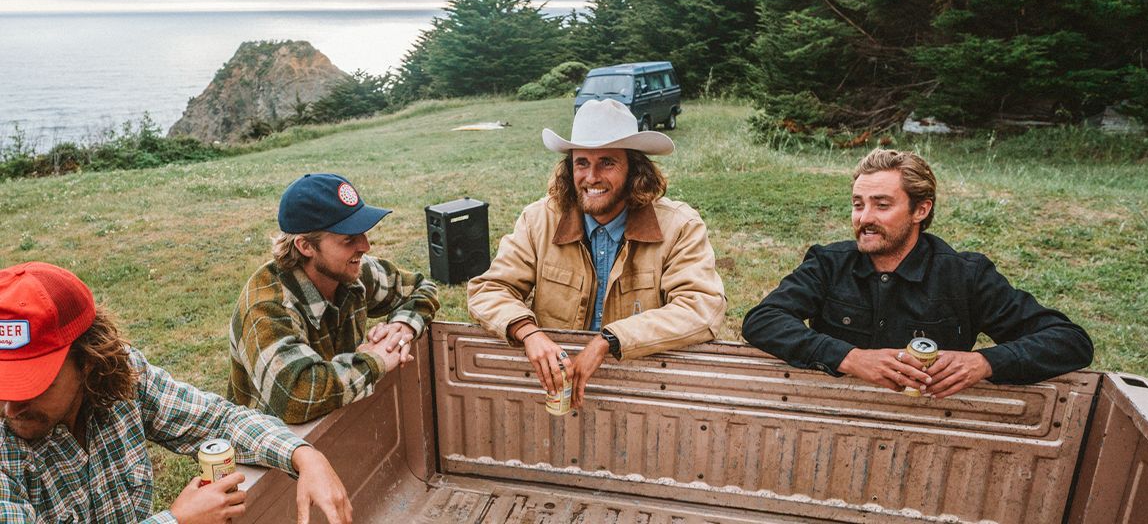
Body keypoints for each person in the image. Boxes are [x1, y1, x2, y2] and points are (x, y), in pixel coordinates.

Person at [0, 261, 353, 523]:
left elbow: (218, 421)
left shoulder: (123, 379)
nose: (11, 407)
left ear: (89, 362)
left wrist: (305, 456)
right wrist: (177, 521)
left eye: (34, 384)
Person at [742, 149, 1093, 398]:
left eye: (882, 205)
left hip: (930, 423)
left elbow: (1069, 341)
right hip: (836, 412)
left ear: (920, 210)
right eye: (858, 204)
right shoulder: (828, 263)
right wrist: (851, 358)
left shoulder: (965, 275)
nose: (864, 218)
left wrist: (984, 362)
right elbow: (763, 320)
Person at [468, 99, 726, 407]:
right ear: (569, 168)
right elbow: (488, 290)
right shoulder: (538, 221)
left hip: (641, 391)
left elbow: (702, 307)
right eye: (581, 163)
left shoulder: (679, 226)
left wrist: (609, 340)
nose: (591, 177)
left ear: (635, 170)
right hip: (558, 392)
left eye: (607, 162)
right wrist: (528, 332)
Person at [229, 173, 440, 424]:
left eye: (363, 232)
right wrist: (376, 360)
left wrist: (402, 327)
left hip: (338, 421)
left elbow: (421, 287)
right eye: (349, 239)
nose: (365, 246)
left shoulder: (350, 271)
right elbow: (297, 396)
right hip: (274, 437)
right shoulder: (266, 306)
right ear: (305, 246)